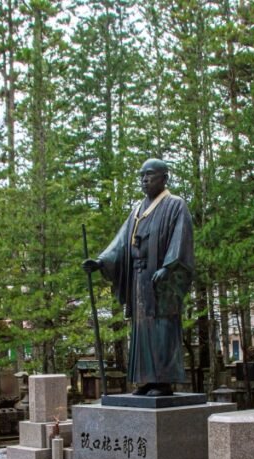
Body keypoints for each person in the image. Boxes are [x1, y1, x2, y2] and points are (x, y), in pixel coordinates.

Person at [82, 158, 194, 397]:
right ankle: (145, 379)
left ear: (164, 178)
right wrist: (101, 262)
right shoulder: (137, 210)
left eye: (149, 175)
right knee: (141, 328)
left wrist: (169, 267)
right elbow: (122, 242)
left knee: (162, 327)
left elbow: (181, 239)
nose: (144, 180)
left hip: (161, 281)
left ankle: (163, 381)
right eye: (142, 175)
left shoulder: (175, 205)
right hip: (138, 278)